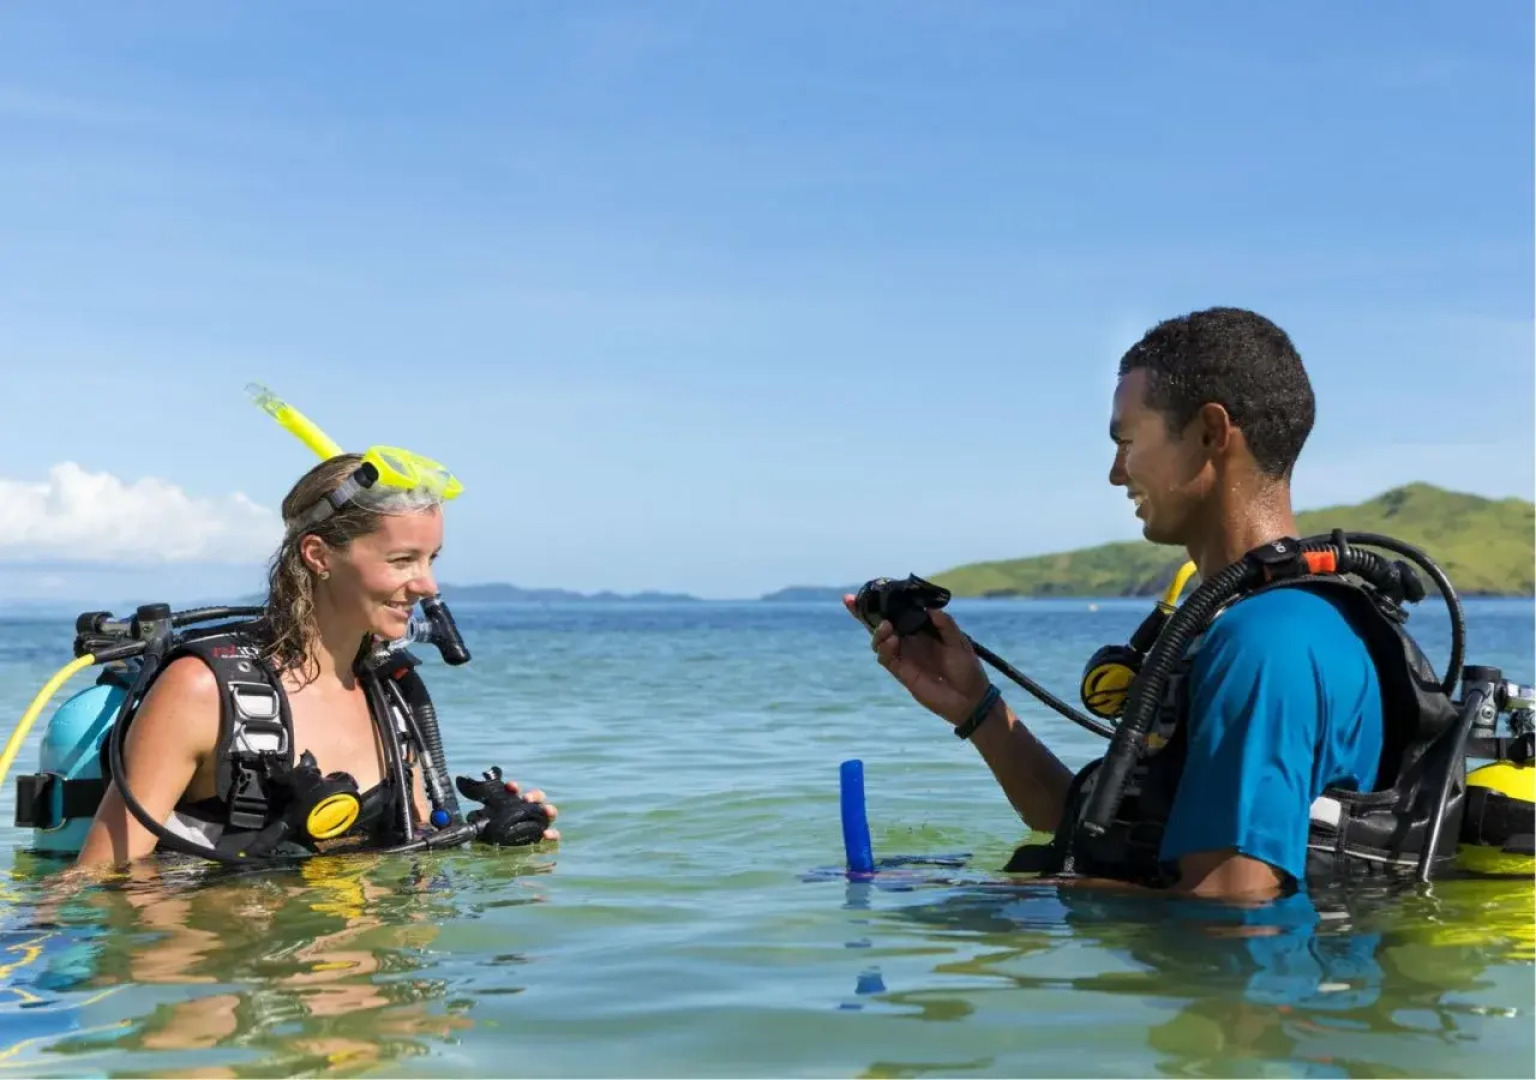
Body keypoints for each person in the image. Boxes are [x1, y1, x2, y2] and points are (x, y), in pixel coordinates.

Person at [847, 306, 1386, 902]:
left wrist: (977, 896)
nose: (1114, 473)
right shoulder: (1238, 619)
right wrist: (977, 709)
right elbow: (1111, 832)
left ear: (1211, 433)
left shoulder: (1267, 641)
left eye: (1128, 441)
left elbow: (1230, 917)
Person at [76, 452, 559, 868]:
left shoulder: (390, 691)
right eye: (402, 561)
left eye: (431, 559)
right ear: (318, 555)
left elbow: (411, 849)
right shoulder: (203, 690)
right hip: (231, 968)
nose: (427, 585)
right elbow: (95, 880)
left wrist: (490, 836)